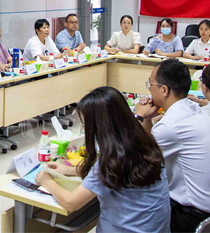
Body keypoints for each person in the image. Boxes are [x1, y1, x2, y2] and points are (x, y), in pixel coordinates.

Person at [35, 86, 170, 233]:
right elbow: (116, 174)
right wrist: (69, 170)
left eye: (86, 124)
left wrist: (47, 181)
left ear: (99, 126)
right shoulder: (144, 142)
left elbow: (71, 203)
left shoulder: (113, 159)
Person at [135, 59, 210, 232]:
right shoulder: (193, 109)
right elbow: (151, 144)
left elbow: (134, 157)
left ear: (164, 90)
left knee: (131, 205)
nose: (149, 90)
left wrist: (138, 116)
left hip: (191, 217)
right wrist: (148, 118)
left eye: (151, 84)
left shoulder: (171, 125)